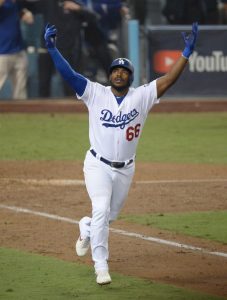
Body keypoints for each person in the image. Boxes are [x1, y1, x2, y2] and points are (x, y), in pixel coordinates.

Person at [44, 21, 198, 285]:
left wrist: (185, 54)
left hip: (126, 168)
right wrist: (52, 49)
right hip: (97, 165)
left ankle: (86, 227)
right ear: (110, 74)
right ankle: (101, 265)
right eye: (115, 70)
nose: (118, 74)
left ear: (130, 77)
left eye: (124, 71)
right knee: (102, 208)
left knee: (108, 217)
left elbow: (169, 80)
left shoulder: (142, 97)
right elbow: (68, 74)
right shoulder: (94, 93)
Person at [0, 0, 34, 99]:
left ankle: (21, 112)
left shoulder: (15, 4)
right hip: (2, 52)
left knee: (20, 91)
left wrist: (26, 14)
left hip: (18, 50)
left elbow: (26, 16)